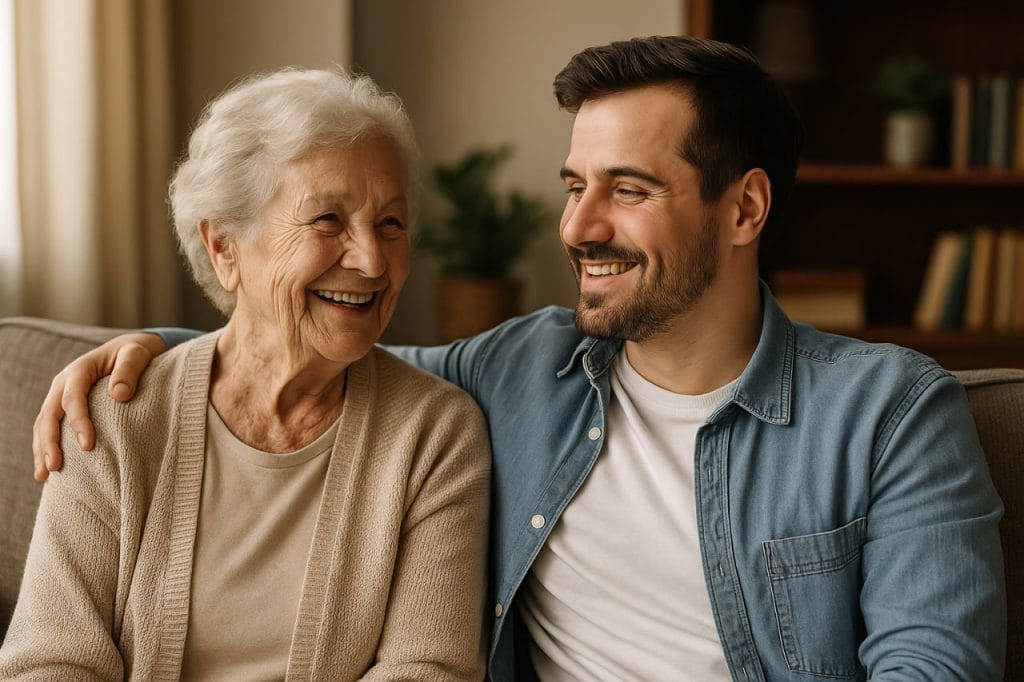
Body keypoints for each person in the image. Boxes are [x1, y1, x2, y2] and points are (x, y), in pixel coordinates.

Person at [30, 36, 1005, 680]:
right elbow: (308, 350)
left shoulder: (890, 415)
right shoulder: (519, 371)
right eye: (575, 185)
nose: (577, 227)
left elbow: (934, 666)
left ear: (744, 207)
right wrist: (150, 358)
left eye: (627, 189)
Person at [4, 67, 491, 679]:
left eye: (390, 223)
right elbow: (50, 661)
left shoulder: (435, 434)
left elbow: (427, 669)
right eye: (327, 219)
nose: (372, 261)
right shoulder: (114, 416)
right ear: (224, 248)